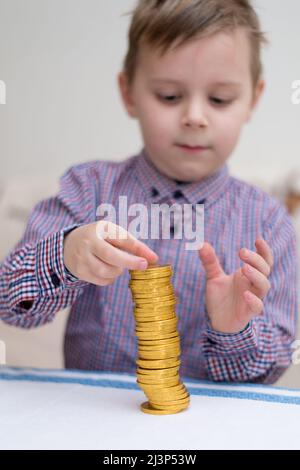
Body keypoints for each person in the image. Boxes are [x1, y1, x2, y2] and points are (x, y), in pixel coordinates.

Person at [0, 0, 298, 383]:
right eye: (169, 96)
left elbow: (268, 374)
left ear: (253, 99)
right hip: (90, 421)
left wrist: (232, 330)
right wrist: (67, 254)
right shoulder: (87, 189)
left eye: (220, 99)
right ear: (129, 94)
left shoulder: (270, 224)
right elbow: (11, 304)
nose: (194, 116)